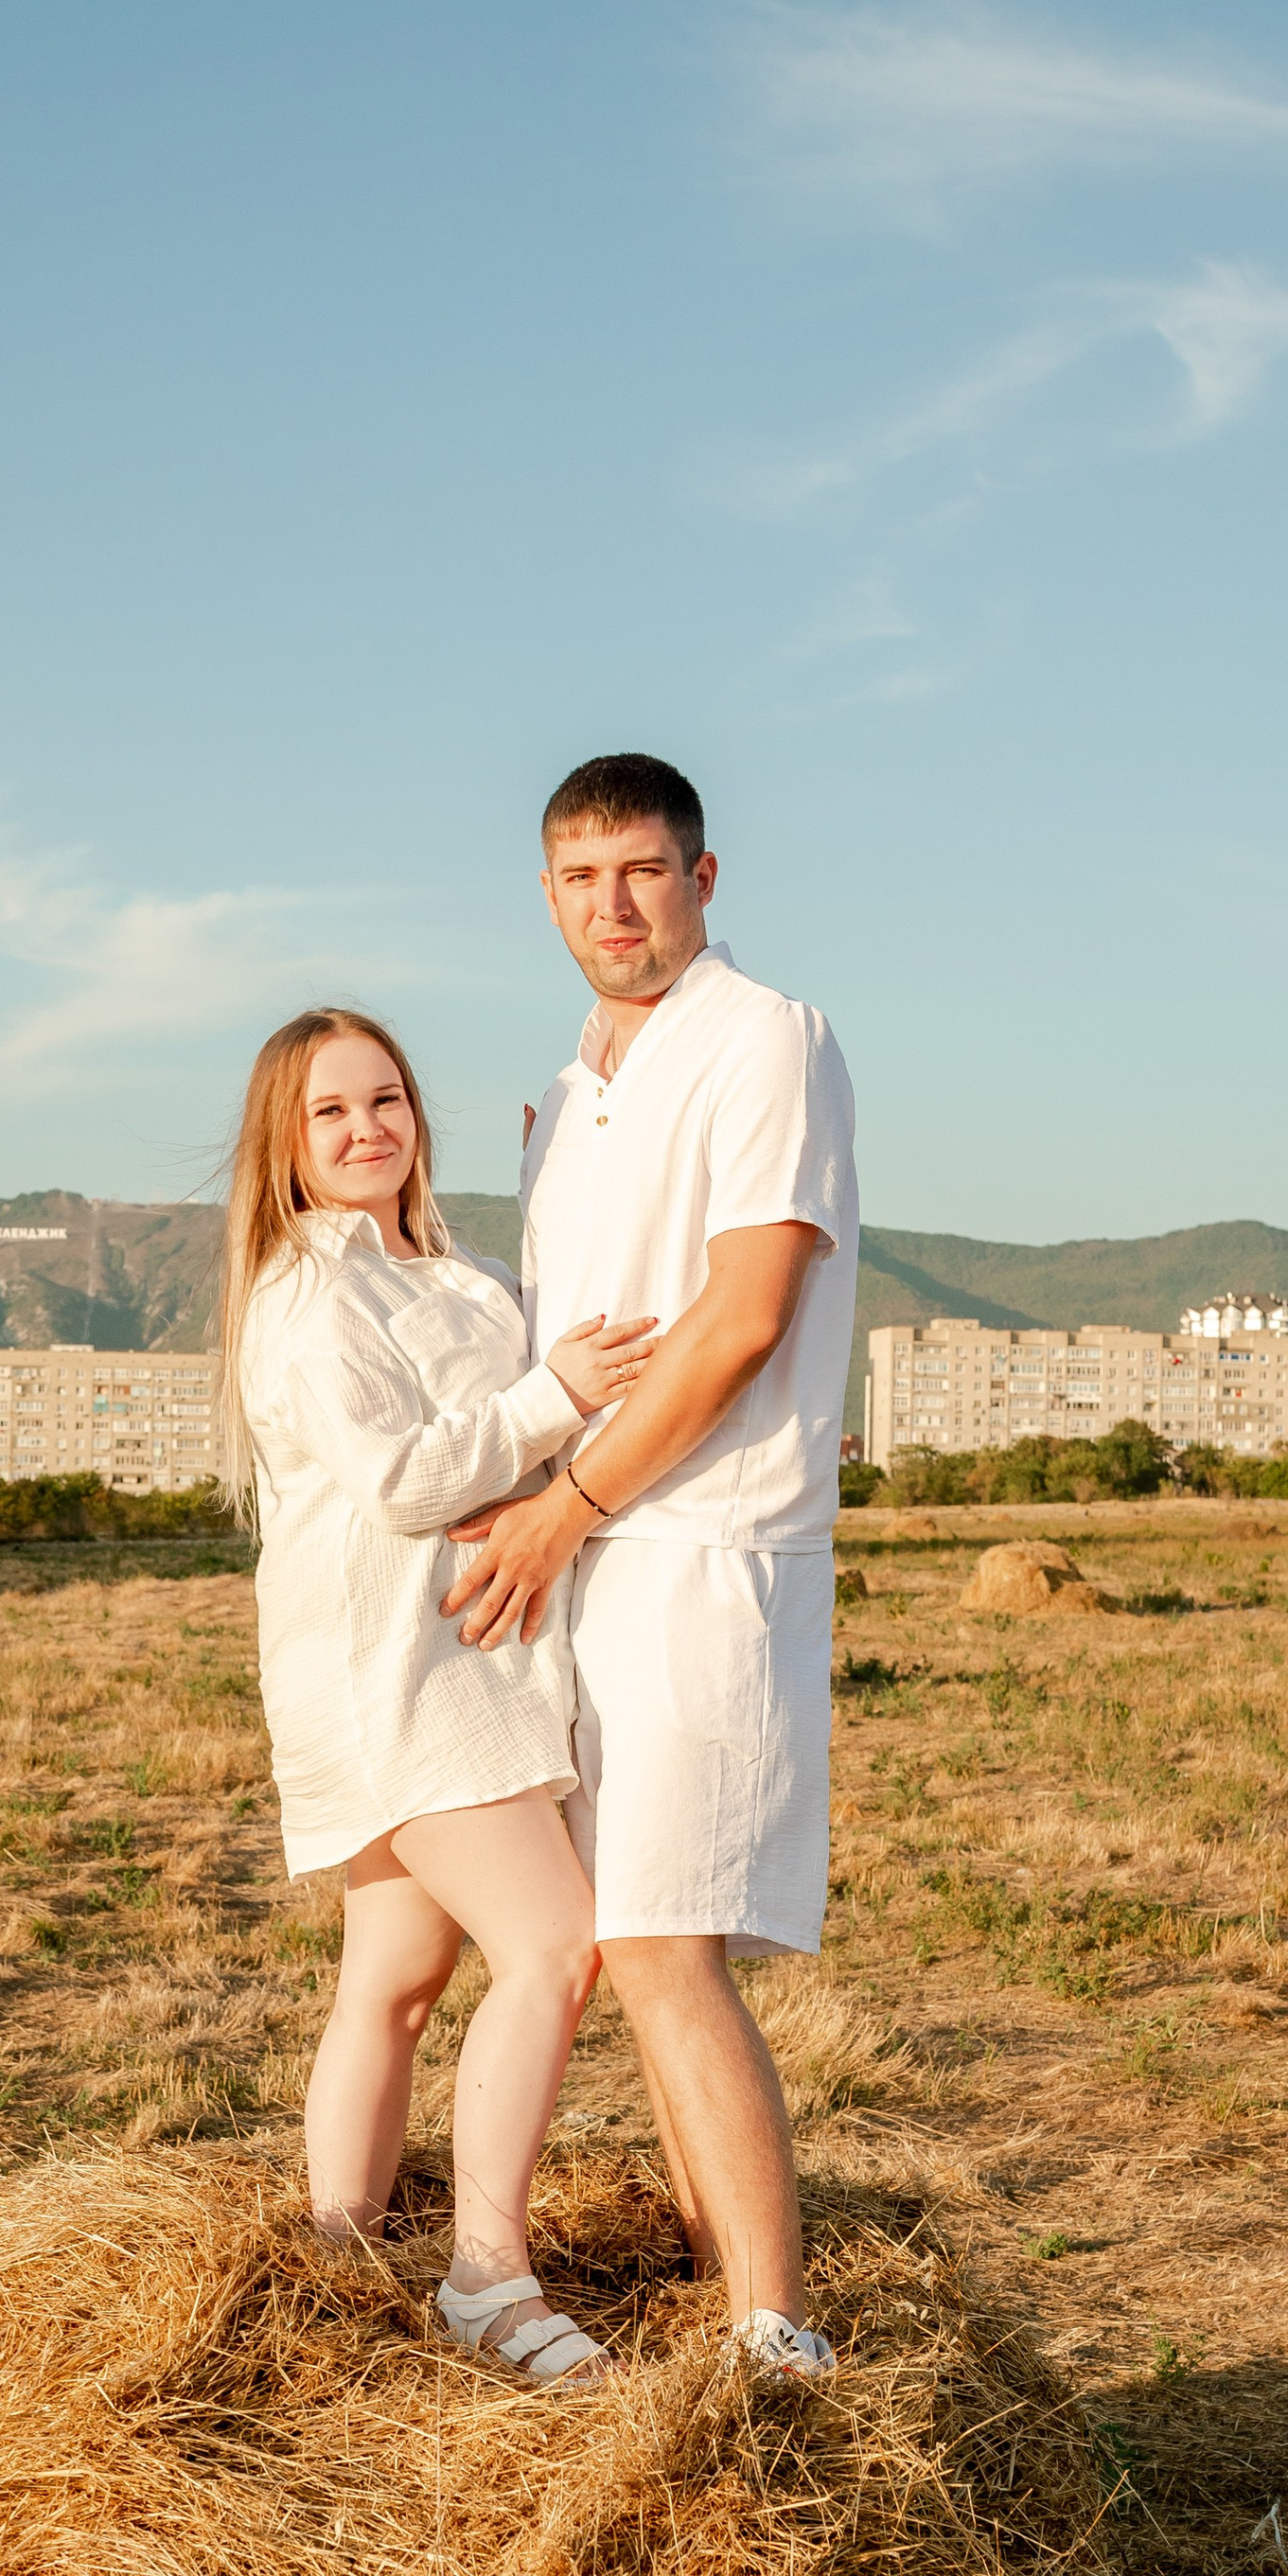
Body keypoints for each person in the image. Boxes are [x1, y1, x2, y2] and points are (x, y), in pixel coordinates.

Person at [441, 753, 856, 2384]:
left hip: (697, 1543)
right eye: (578, 877)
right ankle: (720, 2295)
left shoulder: (766, 1039)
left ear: (703, 874)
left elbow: (744, 1321)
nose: (612, 904)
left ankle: (776, 2337)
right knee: (626, 1944)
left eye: (642, 869)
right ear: (545, 897)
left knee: (673, 1946)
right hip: (590, 1550)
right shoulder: (574, 1084)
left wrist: (572, 1507)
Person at [218, 1004, 659, 2389]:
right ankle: (487, 2275)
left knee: (394, 1982)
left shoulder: (443, 1270)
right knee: (555, 1950)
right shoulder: (308, 1290)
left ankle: (336, 2270)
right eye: (330, 1113)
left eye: (385, 1100)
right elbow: (405, 1478)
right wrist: (553, 1397)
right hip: (397, 1670)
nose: (366, 1130)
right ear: (286, 1147)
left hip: (450, 1659)